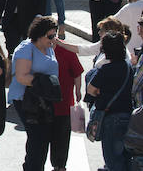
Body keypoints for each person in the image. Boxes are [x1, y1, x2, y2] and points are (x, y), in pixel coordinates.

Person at [9, 16, 60, 171]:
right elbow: (21, 76)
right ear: (39, 34)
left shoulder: (49, 46)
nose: (53, 39)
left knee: (42, 138)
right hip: (27, 100)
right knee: (37, 137)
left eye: (55, 35)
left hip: (43, 99)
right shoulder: (26, 49)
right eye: (50, 36)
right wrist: (46, 82)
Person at [86, 31, 134, 171]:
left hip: (110, 117)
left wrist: (101, 92)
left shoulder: (105, 69)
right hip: (126, 114)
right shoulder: (128, 67)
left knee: (113, 160)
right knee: (124, 157)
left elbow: (90, 89)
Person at [51, 42, 83, 171]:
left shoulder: (67, 50)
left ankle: (60, 165)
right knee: (53, 136)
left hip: (65, 102)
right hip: (46, 104)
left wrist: (78, 90)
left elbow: (77, 72)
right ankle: (55, 164)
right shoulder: (39, 48)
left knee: (63, 136)